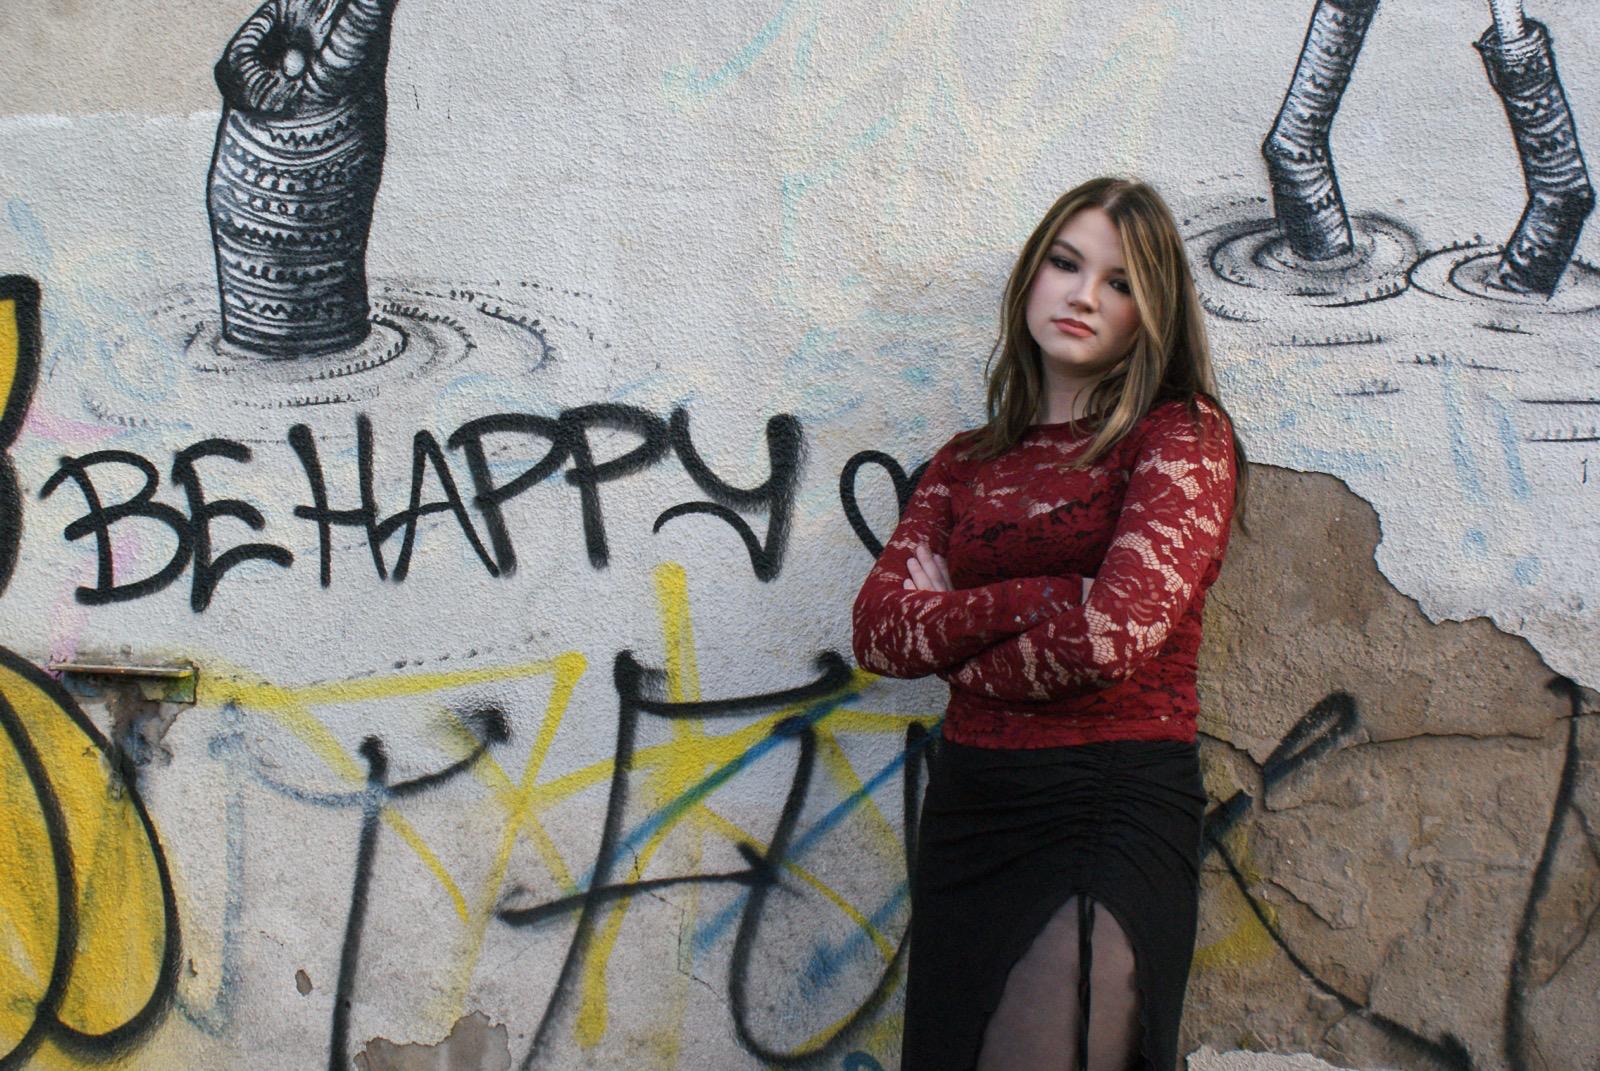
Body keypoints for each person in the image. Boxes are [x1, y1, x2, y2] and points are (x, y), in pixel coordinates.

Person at [851, 176, 1249, 1071]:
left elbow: (1112, 637)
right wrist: (1047, 596)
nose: (1084, 295)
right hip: (971, 807)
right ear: (1031, 275)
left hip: (1105, 801)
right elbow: (878, 631)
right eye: (1066, 264)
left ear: (1152, 314)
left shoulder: (1180, 437)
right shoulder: (963, 462)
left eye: (1120, 282)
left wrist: (953, 632)